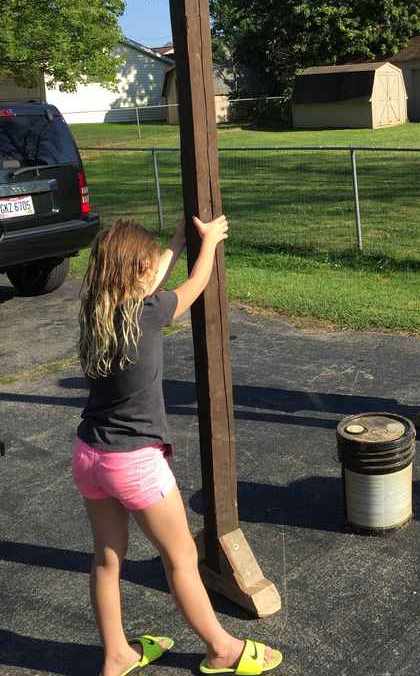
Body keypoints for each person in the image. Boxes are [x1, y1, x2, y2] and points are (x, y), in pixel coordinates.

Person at [73, 215, 282, 676]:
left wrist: (174, 242)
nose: (153, 274)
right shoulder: (148, 314)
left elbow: (154, 278)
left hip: (89, 455)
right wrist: (207, 243)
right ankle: (222, 650)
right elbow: (195, 284)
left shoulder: (97, 309)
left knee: (107, 558)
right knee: (183, 558)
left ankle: (116, 656)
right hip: (134, 464)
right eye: (148, 268)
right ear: (136, 275)